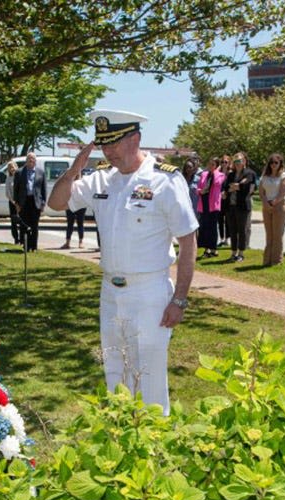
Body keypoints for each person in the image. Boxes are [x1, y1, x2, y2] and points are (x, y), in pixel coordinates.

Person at [47, 109, 198, 415]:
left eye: (114, 143)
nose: (108, 151)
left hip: (149, 293)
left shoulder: (165, 180)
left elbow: (187, 240)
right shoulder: (102, 179)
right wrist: (74, 170)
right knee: (115, 371)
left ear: (135, 139)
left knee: (150, 377)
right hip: (110, 292)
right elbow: (56, 204)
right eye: (103, 145)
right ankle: (122, 440)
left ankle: (155, 446)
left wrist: (179, 300)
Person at [223, 152, 257, 262]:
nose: (238, 163)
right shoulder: (231, 174)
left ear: (244, 162)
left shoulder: (249, 173)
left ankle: (241, 253)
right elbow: (226, 187)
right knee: (232, 230)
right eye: (236, 161)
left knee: (242, 230)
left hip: (242, 206)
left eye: (240, 161)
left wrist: (236, 186)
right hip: (230, 205)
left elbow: (245, 186)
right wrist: (233, 187)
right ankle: (233, 253)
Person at [259, 153, 285, 267]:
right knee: (269, 234)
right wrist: (266, 203)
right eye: (271, 162)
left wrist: (275, 202)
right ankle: (266, 260)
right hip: (266, 206)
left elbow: (284, 191)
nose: (273, 165)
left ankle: (277, 260)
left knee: (277, 234)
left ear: (280, 163)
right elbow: (261, 192)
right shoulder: (264, 177)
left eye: (276, 163)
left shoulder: (284, 176)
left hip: (279, 206)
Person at [13, 152, 46, 252]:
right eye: (29, 159)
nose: (31, 161)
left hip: (35, 202)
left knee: (34, 226)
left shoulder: (41, 172)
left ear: (35, 161)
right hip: (24, 202)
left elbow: (43, 189)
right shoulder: (19, 172)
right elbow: (16, 189)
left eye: (32, 159)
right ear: (26, 161)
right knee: (24, 225)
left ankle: (34, 247)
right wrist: (17, 204)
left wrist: (43, 203)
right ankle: (26, 246)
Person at [196, 156, 225, 258]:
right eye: (209, 163)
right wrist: (200, 191)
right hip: (203, 203)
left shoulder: (220, 175)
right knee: (204, 227)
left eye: (213, 164)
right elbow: (198, 187)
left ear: (216, 166)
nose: (210, 166)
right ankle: (206, 249)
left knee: (212, 227)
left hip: (213, 205)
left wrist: (216, 172)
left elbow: (217, 183)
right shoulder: (203, 174)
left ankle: (213, 249)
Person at [4, 161, 20, 244]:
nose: (12, 169)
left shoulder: (20, 177)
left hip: (20, 202)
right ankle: (16, 238)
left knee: (21, 220)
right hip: (12, 202)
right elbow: (7, 192)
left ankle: (22, 238)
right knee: (13, 221)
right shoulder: (8, 178)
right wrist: (13, 201)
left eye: (13, 167)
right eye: (10, 167)